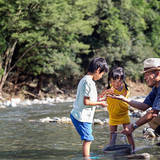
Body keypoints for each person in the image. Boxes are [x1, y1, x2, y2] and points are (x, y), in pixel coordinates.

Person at [107, 58, 160, 137]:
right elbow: (144, 106)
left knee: (153, 117)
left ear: (157, 73)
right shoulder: (156, 87)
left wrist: (133, 126)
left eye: (146, 74)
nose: (144, 77)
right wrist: (124, 99)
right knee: (153, 119)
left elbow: (153, 113)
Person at [70, 57, 108, 158]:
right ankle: (86, 158)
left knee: (88, 138)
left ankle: (86, 156)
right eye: (102, 74)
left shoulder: (85, 80)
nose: (101, 76)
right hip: (82, 117)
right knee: (88, 139)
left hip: (82, 115)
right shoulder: (88, 82)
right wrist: (100, 104)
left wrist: (100, 99)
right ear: (98, 70)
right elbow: (86, 102)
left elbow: (90, 99)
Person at [98, 67, 135, 151]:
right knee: (112, 134)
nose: (116, 84)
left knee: (128, 133)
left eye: (119, 81)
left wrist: (114, 94)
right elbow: (102, 96)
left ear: (123, 80)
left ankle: (133, 149)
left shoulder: (125, 89)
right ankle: (111, 148)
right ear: (110, 80)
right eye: (113, 81)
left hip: (123, 114)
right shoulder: (110, 88)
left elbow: (122, 99)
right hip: (113, 115)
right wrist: (101, 98)